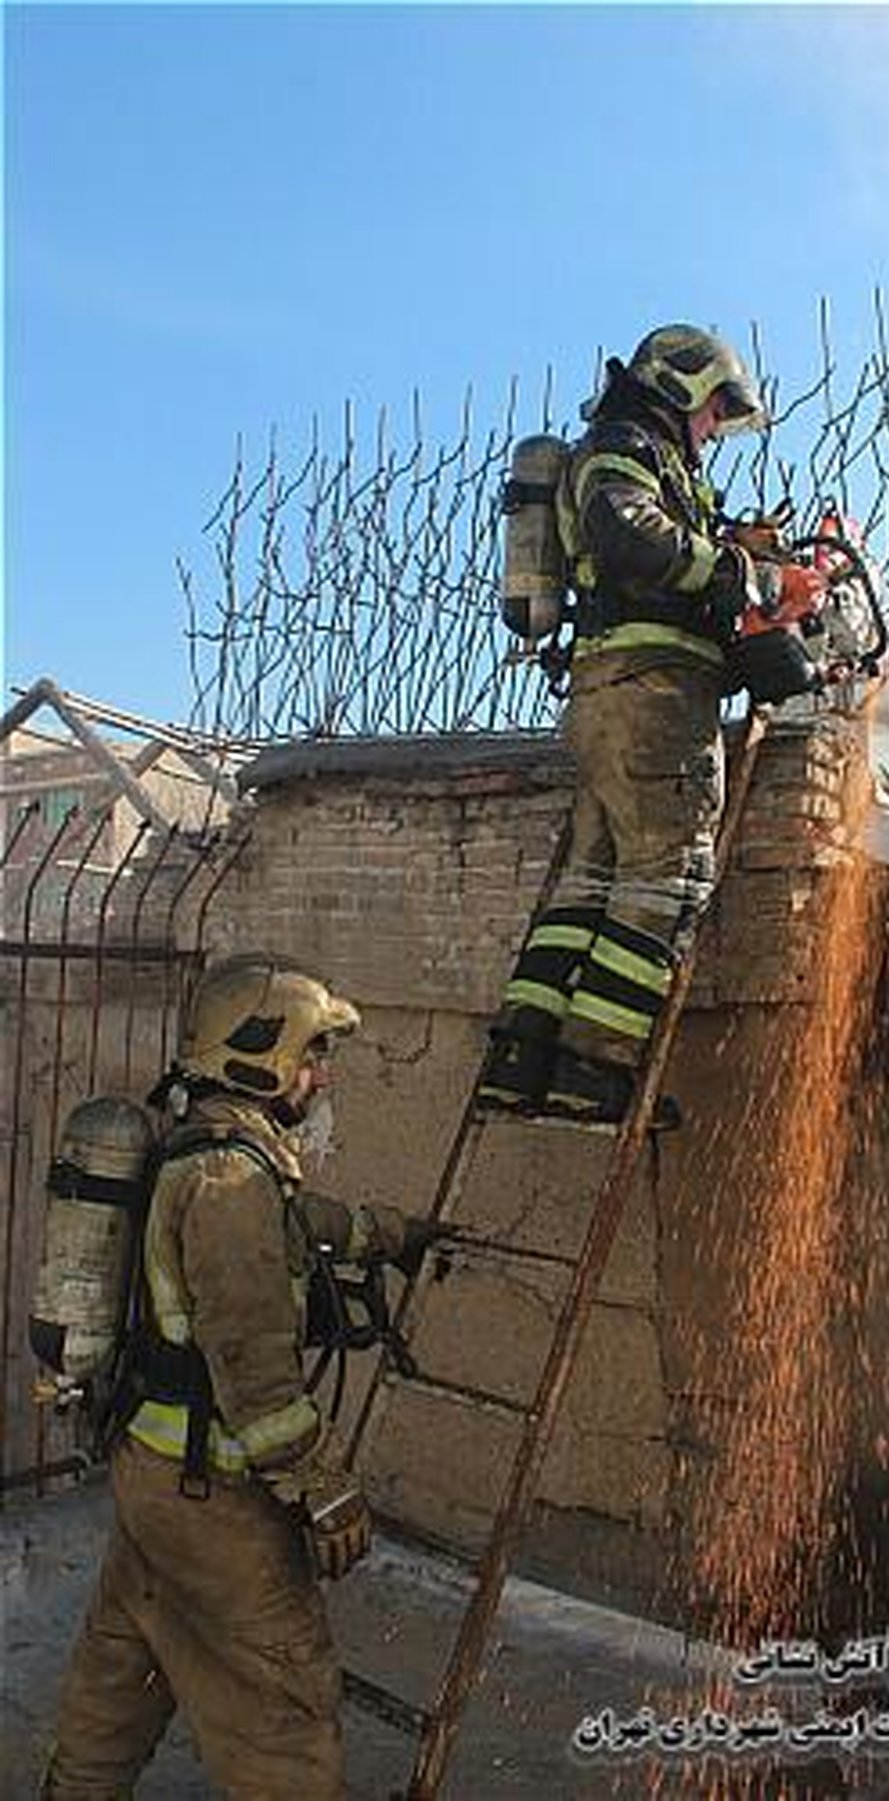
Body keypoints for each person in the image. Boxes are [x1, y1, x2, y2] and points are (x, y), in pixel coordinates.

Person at [41, 953, 439, 1800]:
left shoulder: (211, 1143)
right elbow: (254, 1371)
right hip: (214, 1495)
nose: (320, 1074)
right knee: (282, 1709)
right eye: (311, 1054)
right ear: (260, 1054)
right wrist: (322, 1485)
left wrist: (387, 1233)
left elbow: (297, 1225)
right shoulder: (229, 1180)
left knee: (121, 1681)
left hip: (152, 1480)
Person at [479, 323, 768, 1125]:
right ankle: (594, 1074)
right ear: (679, 387)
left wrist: (731, 545)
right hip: (655, 699)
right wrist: (729, 570)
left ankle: (520, 1061)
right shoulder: (626, 446)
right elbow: (623, 527)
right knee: (668, 878)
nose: (715, 426)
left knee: (590, 881)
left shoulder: (641, 451)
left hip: (605, 692)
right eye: (714, 408)